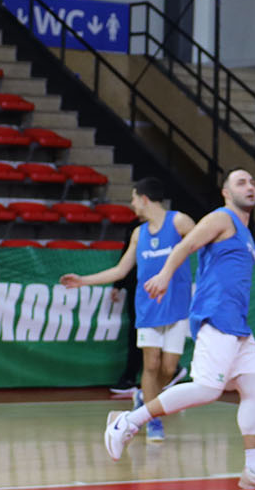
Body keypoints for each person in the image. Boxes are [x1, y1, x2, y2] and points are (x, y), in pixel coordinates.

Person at [102, 168, 255, 489]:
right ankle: (127, 422)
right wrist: (164, 275)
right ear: (226, 193)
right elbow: (186, 245)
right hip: (216, 315)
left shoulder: (245, 234)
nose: (250, 186)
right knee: (206, 389)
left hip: (238, 324)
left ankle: (254, 469)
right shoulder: (222, 218)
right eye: (241, 182)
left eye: (252, 182)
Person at [63, 177, 193, 443]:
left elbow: (206, 243)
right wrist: (83, 280)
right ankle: (153, 420)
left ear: (144, 199)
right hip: (148, 308)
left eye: (133, 198)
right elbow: (121, 270)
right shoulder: (138, 234)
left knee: (169, 368)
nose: (132, 204)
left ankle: (143, 398)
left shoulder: (179, 222)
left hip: (177, 307)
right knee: (151, 363)